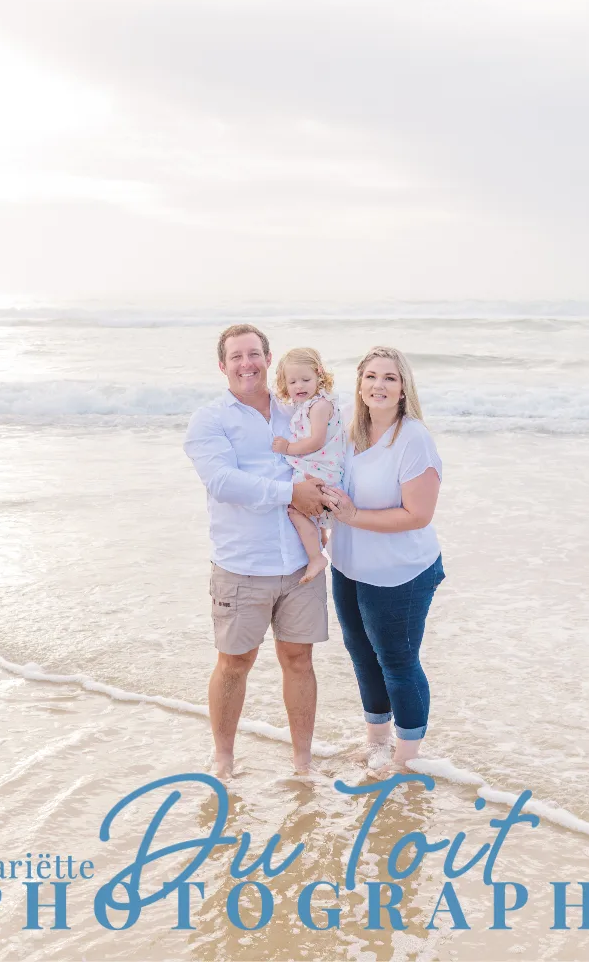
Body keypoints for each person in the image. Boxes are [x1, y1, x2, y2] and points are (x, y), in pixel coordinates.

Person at [184, 324, 329, 779]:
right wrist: (291, 493)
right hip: (241, 563)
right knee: (234, 664)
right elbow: (223, 483)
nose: (246, 363)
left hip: (301, 563)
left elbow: (328, 452)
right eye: (236, 356)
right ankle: (224, 759)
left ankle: (302, 763)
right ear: (222, 365)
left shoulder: (296, 411)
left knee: (299, 660)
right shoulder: (209, 420)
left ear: (268, 359)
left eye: (254, 354)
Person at [323, 346, 445, 773]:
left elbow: (419, 514)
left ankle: (407, 759)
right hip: (348, 565)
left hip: (400, 572)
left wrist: (353, 515)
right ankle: (376, 743)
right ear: (359, 384)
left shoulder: (413, 439)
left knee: (397, 661)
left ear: (403, 388)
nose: (379, 385)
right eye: (371, 376)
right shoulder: (347, 431)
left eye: (389, 378)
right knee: (360, 653)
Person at [270, 347, 346, 585]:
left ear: (319, 375)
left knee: (295, 509)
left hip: (324, 469)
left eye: (306, 379)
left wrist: (287, 448)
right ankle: (320, 536)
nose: (299, 386)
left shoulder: (320, 405)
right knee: (305, 510)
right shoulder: (306, 405)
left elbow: (316, 441)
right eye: (292, 381)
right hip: (319, 466)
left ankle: (316, 557)